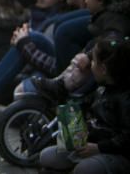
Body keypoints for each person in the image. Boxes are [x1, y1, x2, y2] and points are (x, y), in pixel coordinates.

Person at [36, 36, 130, 174]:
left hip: (114, 153)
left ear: (103, 69)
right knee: (46, 157)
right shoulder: (102, 87)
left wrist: (99, 148)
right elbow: (84, 104)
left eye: (93, 61)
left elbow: (126, 138)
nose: (90, 65)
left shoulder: (125, 99)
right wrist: (70, 118)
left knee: (84, 169)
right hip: (90, 143)